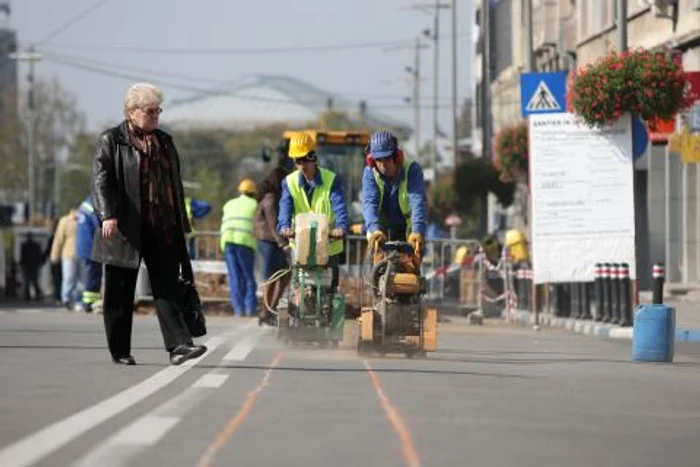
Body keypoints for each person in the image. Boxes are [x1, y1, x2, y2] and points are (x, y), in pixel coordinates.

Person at [91, 82, 206, 366]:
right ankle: (120, 350)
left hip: (162, 227)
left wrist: (181, 223)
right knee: (119, 292)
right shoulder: (112, 140)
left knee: (167, 286)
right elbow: (101, 179)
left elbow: (174, 185)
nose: (155, 116)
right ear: (131, 112)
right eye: (149, 111)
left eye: (158, 111)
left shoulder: (165, 142)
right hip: (124, 229)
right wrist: (108, 214)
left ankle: (179, 346)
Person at [277, 131, 348, 293]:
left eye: (305, 160)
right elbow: (285, 208)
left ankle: (329, 311)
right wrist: (284, 226)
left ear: (313, 157)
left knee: (329, 291)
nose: (302, 165)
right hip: (301, 248)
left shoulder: (332, 180)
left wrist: (341, 227)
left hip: (329, 248)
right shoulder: (289, 182)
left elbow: (339, 207)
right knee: (298, 290)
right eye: (297, 161)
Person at [361, 129, 427, 253]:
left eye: (387, 159)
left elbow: (417, 202)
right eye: (378, 160)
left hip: (408, 230)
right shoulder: (369, 173)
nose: (383, 164)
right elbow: (370, 203)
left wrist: (417, 230)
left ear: (397, 157)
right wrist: (375, 230)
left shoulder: (412, 169)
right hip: (380, 229)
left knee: (412, 266)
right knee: (376, 261)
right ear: (371, 160)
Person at [254, 166, 290, 326]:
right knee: (271, 277)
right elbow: (273, 223)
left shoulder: (273, 197)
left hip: (272, 241)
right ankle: (266, 311)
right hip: (269, 241)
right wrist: (283, 243)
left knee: (283, 275)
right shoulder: (270, 198)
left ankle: (270, 309)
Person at [220, 179, 258, 317]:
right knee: (248, 277)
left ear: (240, 191)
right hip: (245, 243)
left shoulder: (229, 204)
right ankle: (250, 309)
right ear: (253, 193)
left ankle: (238, 310)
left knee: (235, 277)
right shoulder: (255, 205)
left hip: (228, 241)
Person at [75, 194, 102, 312]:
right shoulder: (92, 205)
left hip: (83, 246)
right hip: (90, 246)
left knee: (86, 275)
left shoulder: (84, 204)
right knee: (92, 276)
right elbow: (98, 223)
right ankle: (89, 303)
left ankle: (87, 301)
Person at [49, 208, 79, 309]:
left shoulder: (83, 219)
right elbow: (59, 239)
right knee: (69, 278)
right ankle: (66, 298)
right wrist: (54, 255)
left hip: (82, 254)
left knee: (80, 280)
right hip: (68, 254)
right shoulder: (64, 221)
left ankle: (76, 299)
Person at [20, 232, 43, 300]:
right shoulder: (36, 245)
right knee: (34, 280)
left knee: (28, 280)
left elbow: (23, 256)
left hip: (28, 265)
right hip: (33, 265)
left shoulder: (25, 245)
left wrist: (22, 264)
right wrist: (39, 263)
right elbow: (39, 255)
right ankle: (36, 295)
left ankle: (28, 296)